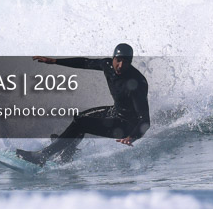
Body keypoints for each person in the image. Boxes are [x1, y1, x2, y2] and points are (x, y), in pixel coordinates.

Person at [17, 43, 150, 166]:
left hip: (126, 125)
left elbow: (145, 120)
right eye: (118, 60)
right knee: (79, 118)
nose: (121, 65)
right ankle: (67, 151)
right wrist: (55, 61)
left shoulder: (136, 83)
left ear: (131, 63)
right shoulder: (107, 65)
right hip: (116, 111)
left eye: (126, 62)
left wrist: (132, 136)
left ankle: (42, 156)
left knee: (81, 123)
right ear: (113, 58)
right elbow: (84, 62)